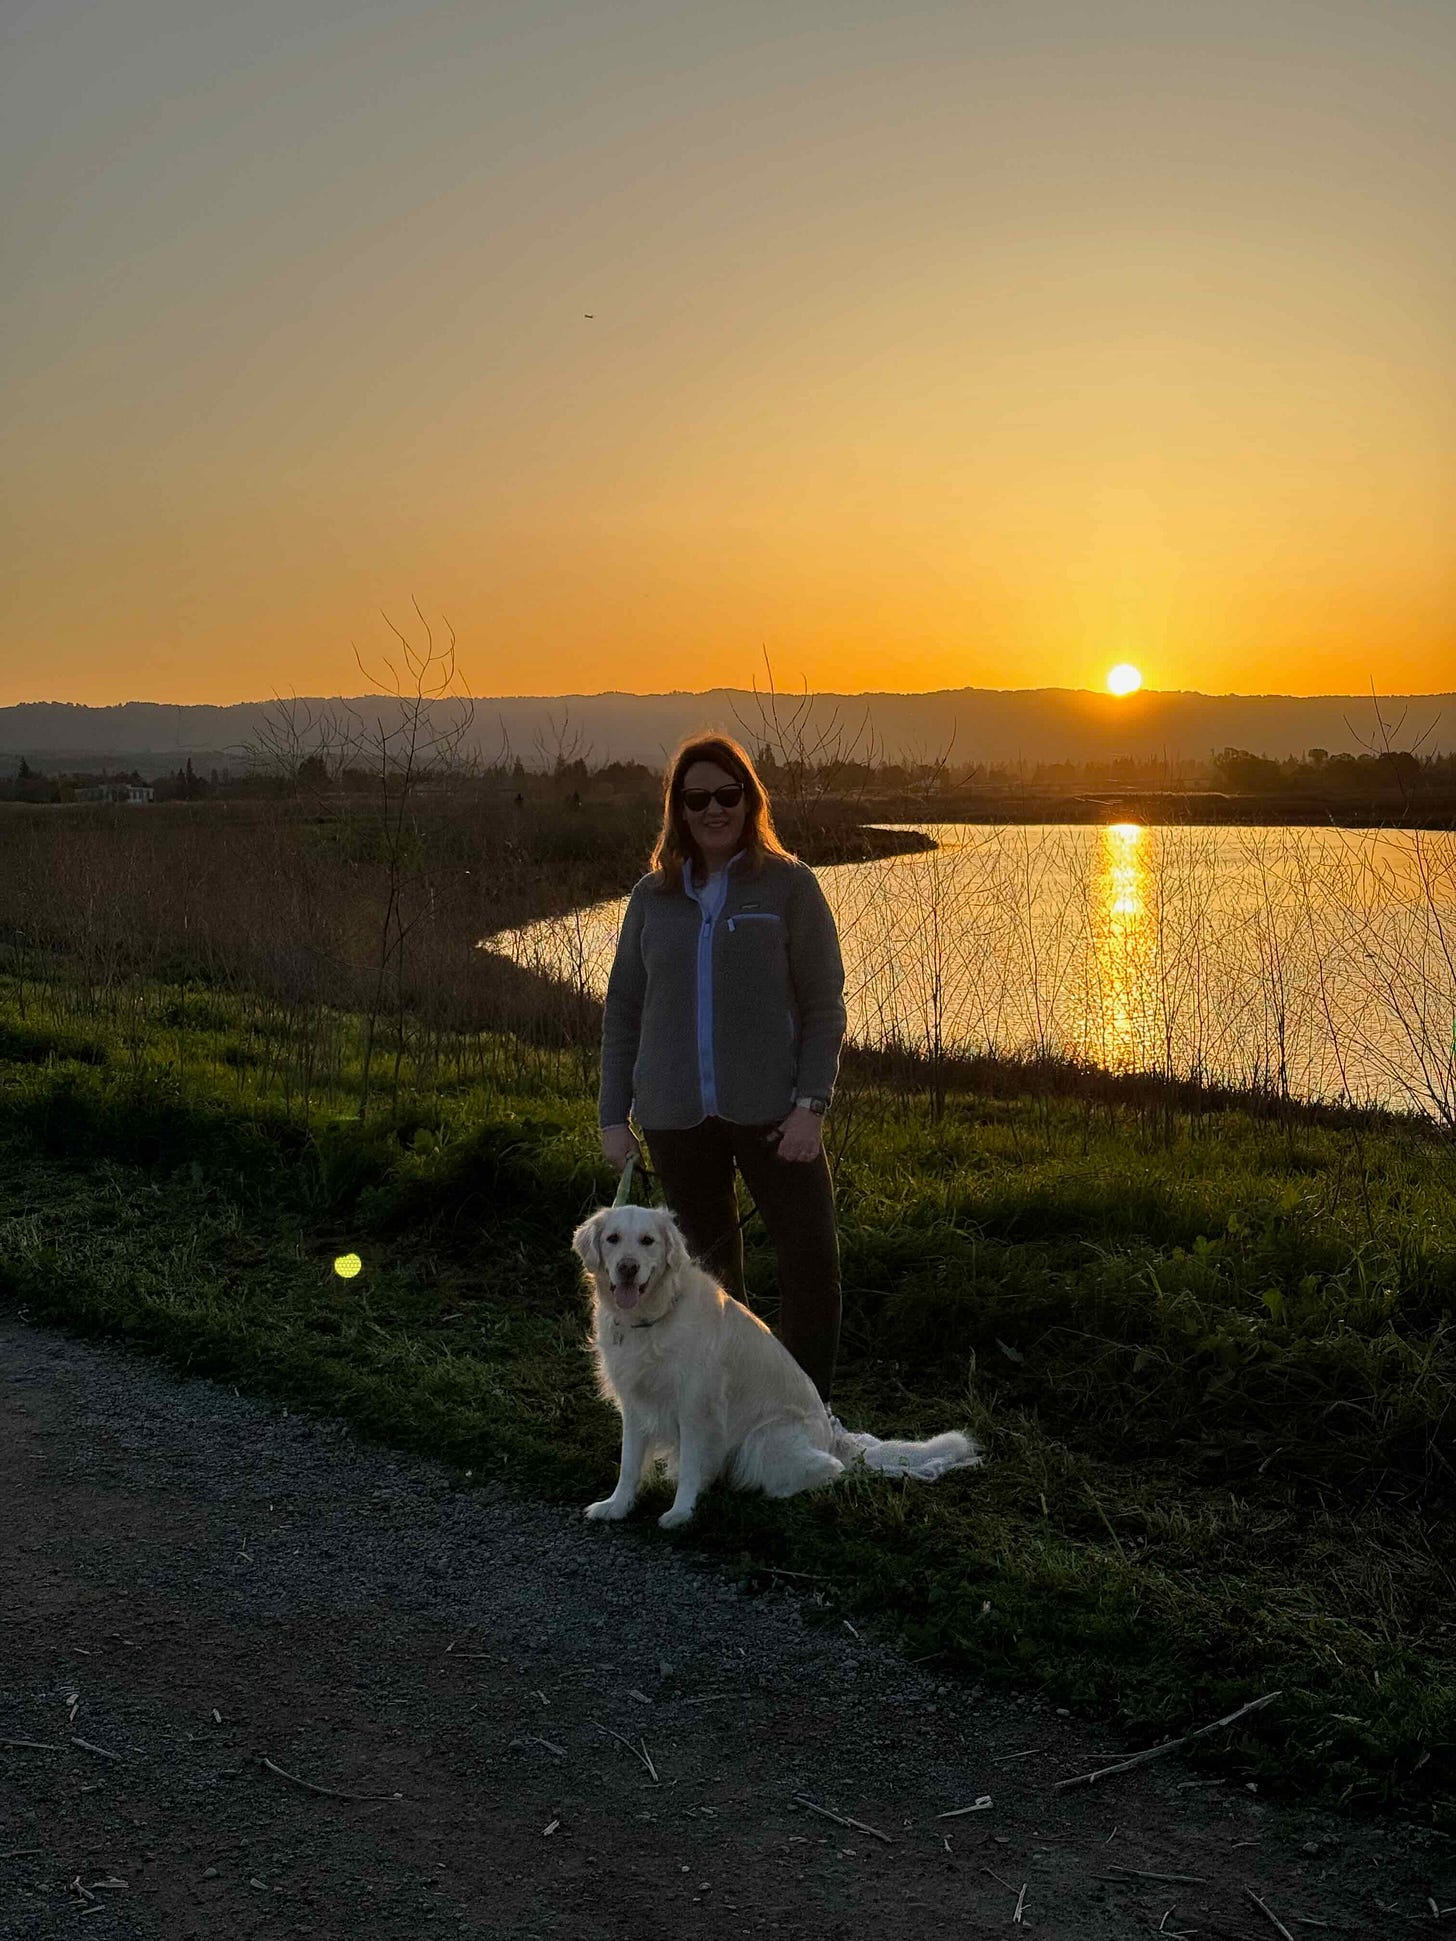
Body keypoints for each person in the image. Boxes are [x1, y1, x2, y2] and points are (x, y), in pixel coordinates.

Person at [598, 733, 847, 1403]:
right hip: (674, 1118)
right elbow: (624, 1009)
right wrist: (611, 1116)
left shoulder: (789, 886)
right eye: (697, 797)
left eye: (727, 795)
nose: (714, 809)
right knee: (704, 1286)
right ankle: (723, 1416)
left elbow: (825, 1007)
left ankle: (807, 1416)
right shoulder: (652, 898)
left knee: (810, 1264)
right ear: (678, 808)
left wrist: (811, 1105)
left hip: (776, 1117)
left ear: (749, 799)